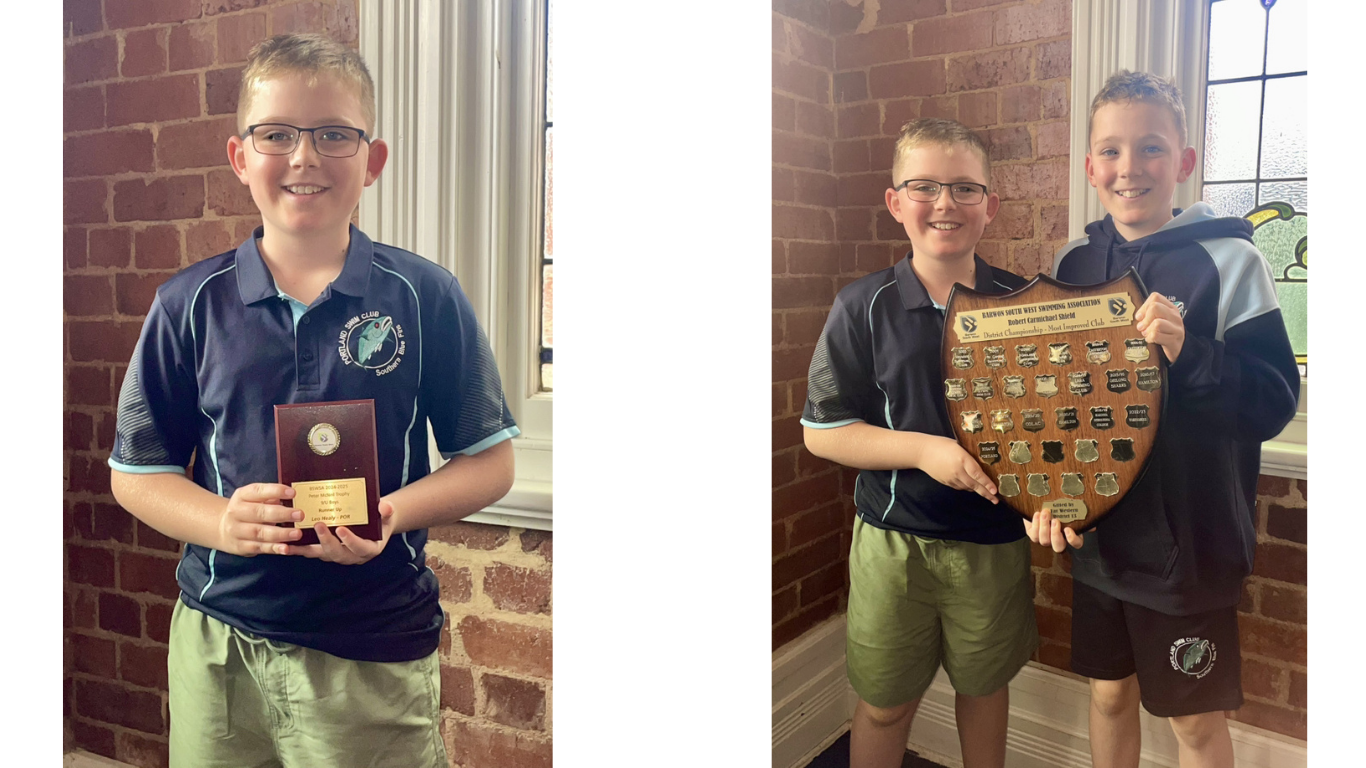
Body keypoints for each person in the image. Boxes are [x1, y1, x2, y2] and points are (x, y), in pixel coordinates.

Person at [107, 33, 518, 767]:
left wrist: (391, 513)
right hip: (218, 646)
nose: (304, 157)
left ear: (373, 160)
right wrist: (224, 522)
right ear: (241, 157)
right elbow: (137, 473)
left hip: (371, 647)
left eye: (334, 134)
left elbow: (489, 464)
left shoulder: (425, 296)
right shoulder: (186, 305)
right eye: (277, 135)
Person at [1035, 70, 1300, 768]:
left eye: (1151, 149)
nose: (1130, 168)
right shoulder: (1074, 261)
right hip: (1099, 539)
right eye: (1112, 152)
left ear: (1182, 162)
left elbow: (1273, 402)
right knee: (1108, 697)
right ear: (1091, 166)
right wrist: (1047, 494)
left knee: (1194, 725)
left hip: (1190, 550)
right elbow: (1058, 407)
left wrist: (1191, 352)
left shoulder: (1231, 260)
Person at [802, 118, 1037, 768]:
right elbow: (823, 433)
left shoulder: (1024, 304)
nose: (945, 204)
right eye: (925, 186)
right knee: (882, 704)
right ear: (896, 201)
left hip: (992, 543)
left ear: (990, 205)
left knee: (984, 690)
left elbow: (1051, 421)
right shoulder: (861, 307)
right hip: (891, 542)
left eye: (965, 188)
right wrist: (925, 451)